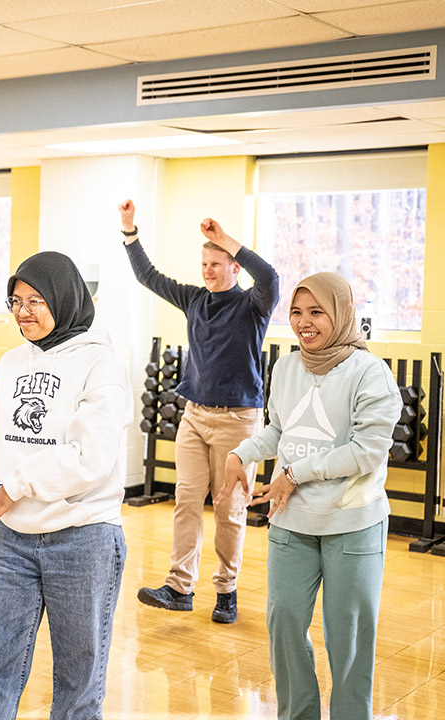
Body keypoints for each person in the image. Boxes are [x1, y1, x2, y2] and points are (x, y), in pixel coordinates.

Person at [0, 251, 132, 719]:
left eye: (36, 300)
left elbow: (88, 457)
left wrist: (15, 487)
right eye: (16, 301)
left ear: (65, 298)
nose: (23, 311)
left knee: (78, 677)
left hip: (83, 537)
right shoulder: (12, 363)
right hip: (13, 541)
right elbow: (5, 448)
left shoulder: (101, 364)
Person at [219, 272, 400, 720]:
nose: (305, 322)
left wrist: (295, 474)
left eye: (317, 312)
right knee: (283, 626)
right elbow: (280, 431)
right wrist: (241, 453)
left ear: (340, 313)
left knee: (349, 639)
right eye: (296, 312)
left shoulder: (370, 372)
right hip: (291, 519)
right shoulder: (285, 366)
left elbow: (367, 452)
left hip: (352, 524)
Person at [120, 198, 279, 624]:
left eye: (216, 263)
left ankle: (226, 591)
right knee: (185, 500)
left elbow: (271, 276)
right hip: (194, 416)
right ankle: (179, 587)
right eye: (204, 263)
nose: (208, 270)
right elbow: (147, 276)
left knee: (230, 509)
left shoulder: (252, 306)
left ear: (234, 268)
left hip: (238, 421)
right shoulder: (193, 299)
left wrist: (225, 238)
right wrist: (130, 230)